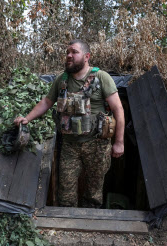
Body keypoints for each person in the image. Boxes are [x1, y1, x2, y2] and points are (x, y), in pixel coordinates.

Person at [14, 39, 124, 208]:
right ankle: (67, 222)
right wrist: (27, 118)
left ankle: (91, 222)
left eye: (74, 52)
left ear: (87, 56)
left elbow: (118, 109)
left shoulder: (101, 77)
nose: (69, 56)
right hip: (69, 146)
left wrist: (119, 142)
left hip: (97, 145)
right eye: (67, 53)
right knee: (66, 191)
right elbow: (46, 102)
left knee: (94, 190)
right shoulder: (61, 80)